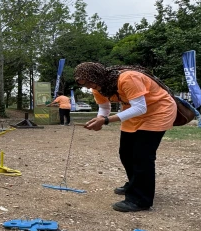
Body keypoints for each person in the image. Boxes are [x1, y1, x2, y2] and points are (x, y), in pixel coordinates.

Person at [75, 62, 176, 212]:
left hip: (157, 112)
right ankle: (135, 184)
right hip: (133, 116)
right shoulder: (99, 87)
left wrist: (107, 120)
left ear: (97, 75)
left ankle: (140, 200)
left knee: (142, 156)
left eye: (90, 82)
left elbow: (140, 107)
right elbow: (104, 107)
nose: (90, 87)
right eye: (85, 84)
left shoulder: (128, 78)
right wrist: (99, 120)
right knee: (126, 154)